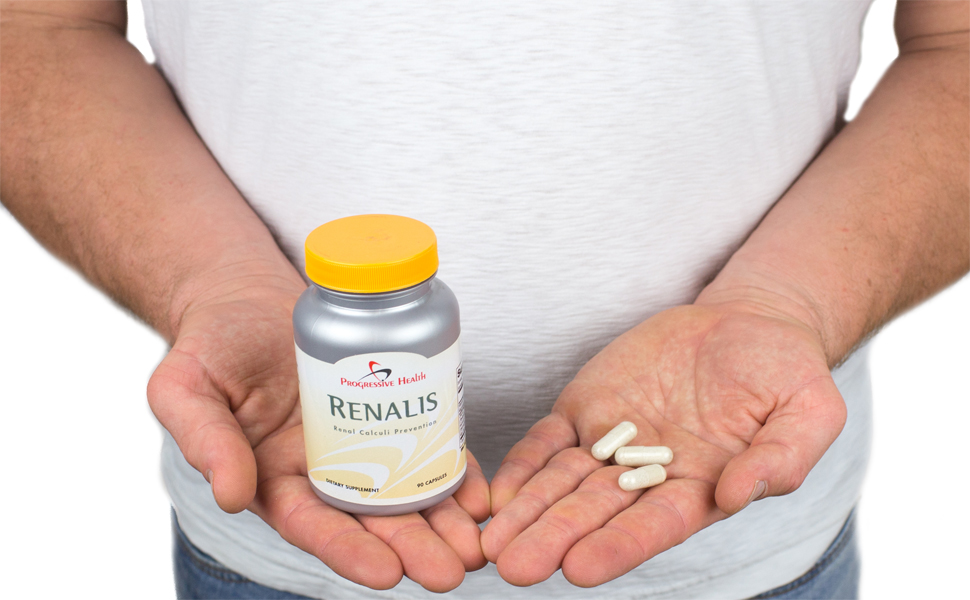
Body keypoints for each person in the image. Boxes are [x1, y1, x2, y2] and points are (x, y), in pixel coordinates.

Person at [2, 0, 966, 598]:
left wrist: (785, 302)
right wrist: (209, 282)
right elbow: (37, 28)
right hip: (272, 548)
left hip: (744, 543)